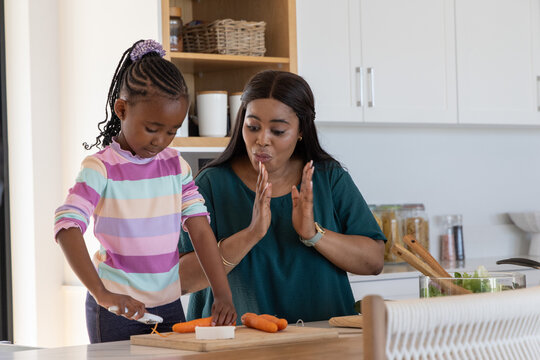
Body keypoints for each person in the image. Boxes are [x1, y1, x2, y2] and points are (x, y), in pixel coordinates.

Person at [54, 39, 236, 343]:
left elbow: (201, 231)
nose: (161, 140)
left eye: (172, 130)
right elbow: (67, 226)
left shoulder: (177, 167)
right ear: (122, 110)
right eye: (152, 128)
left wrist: (222, 293)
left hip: (170, 305)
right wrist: (102, 294)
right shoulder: (100, 168)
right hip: (116, 309)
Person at [178, 70, 386, 324]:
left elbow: (374, 261)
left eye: (277, 131)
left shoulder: (329, 178)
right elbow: (181, 280)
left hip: (325, 341)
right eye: (252, 127)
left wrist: (313, 234)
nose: (261, 140)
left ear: (301, 131)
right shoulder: (210, 184)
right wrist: (251, 234)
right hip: (236, 344)